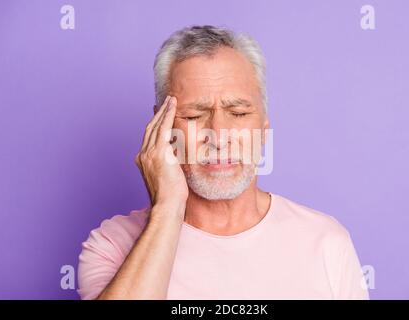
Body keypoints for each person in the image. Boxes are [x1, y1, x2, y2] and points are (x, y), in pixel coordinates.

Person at [77, 25, 369, 300]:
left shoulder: (326, 242)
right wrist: (167, 211)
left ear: (264, 126)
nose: (219, 136)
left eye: (239, 113)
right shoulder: (112, 246)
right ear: (160, 128)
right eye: (193, 116)